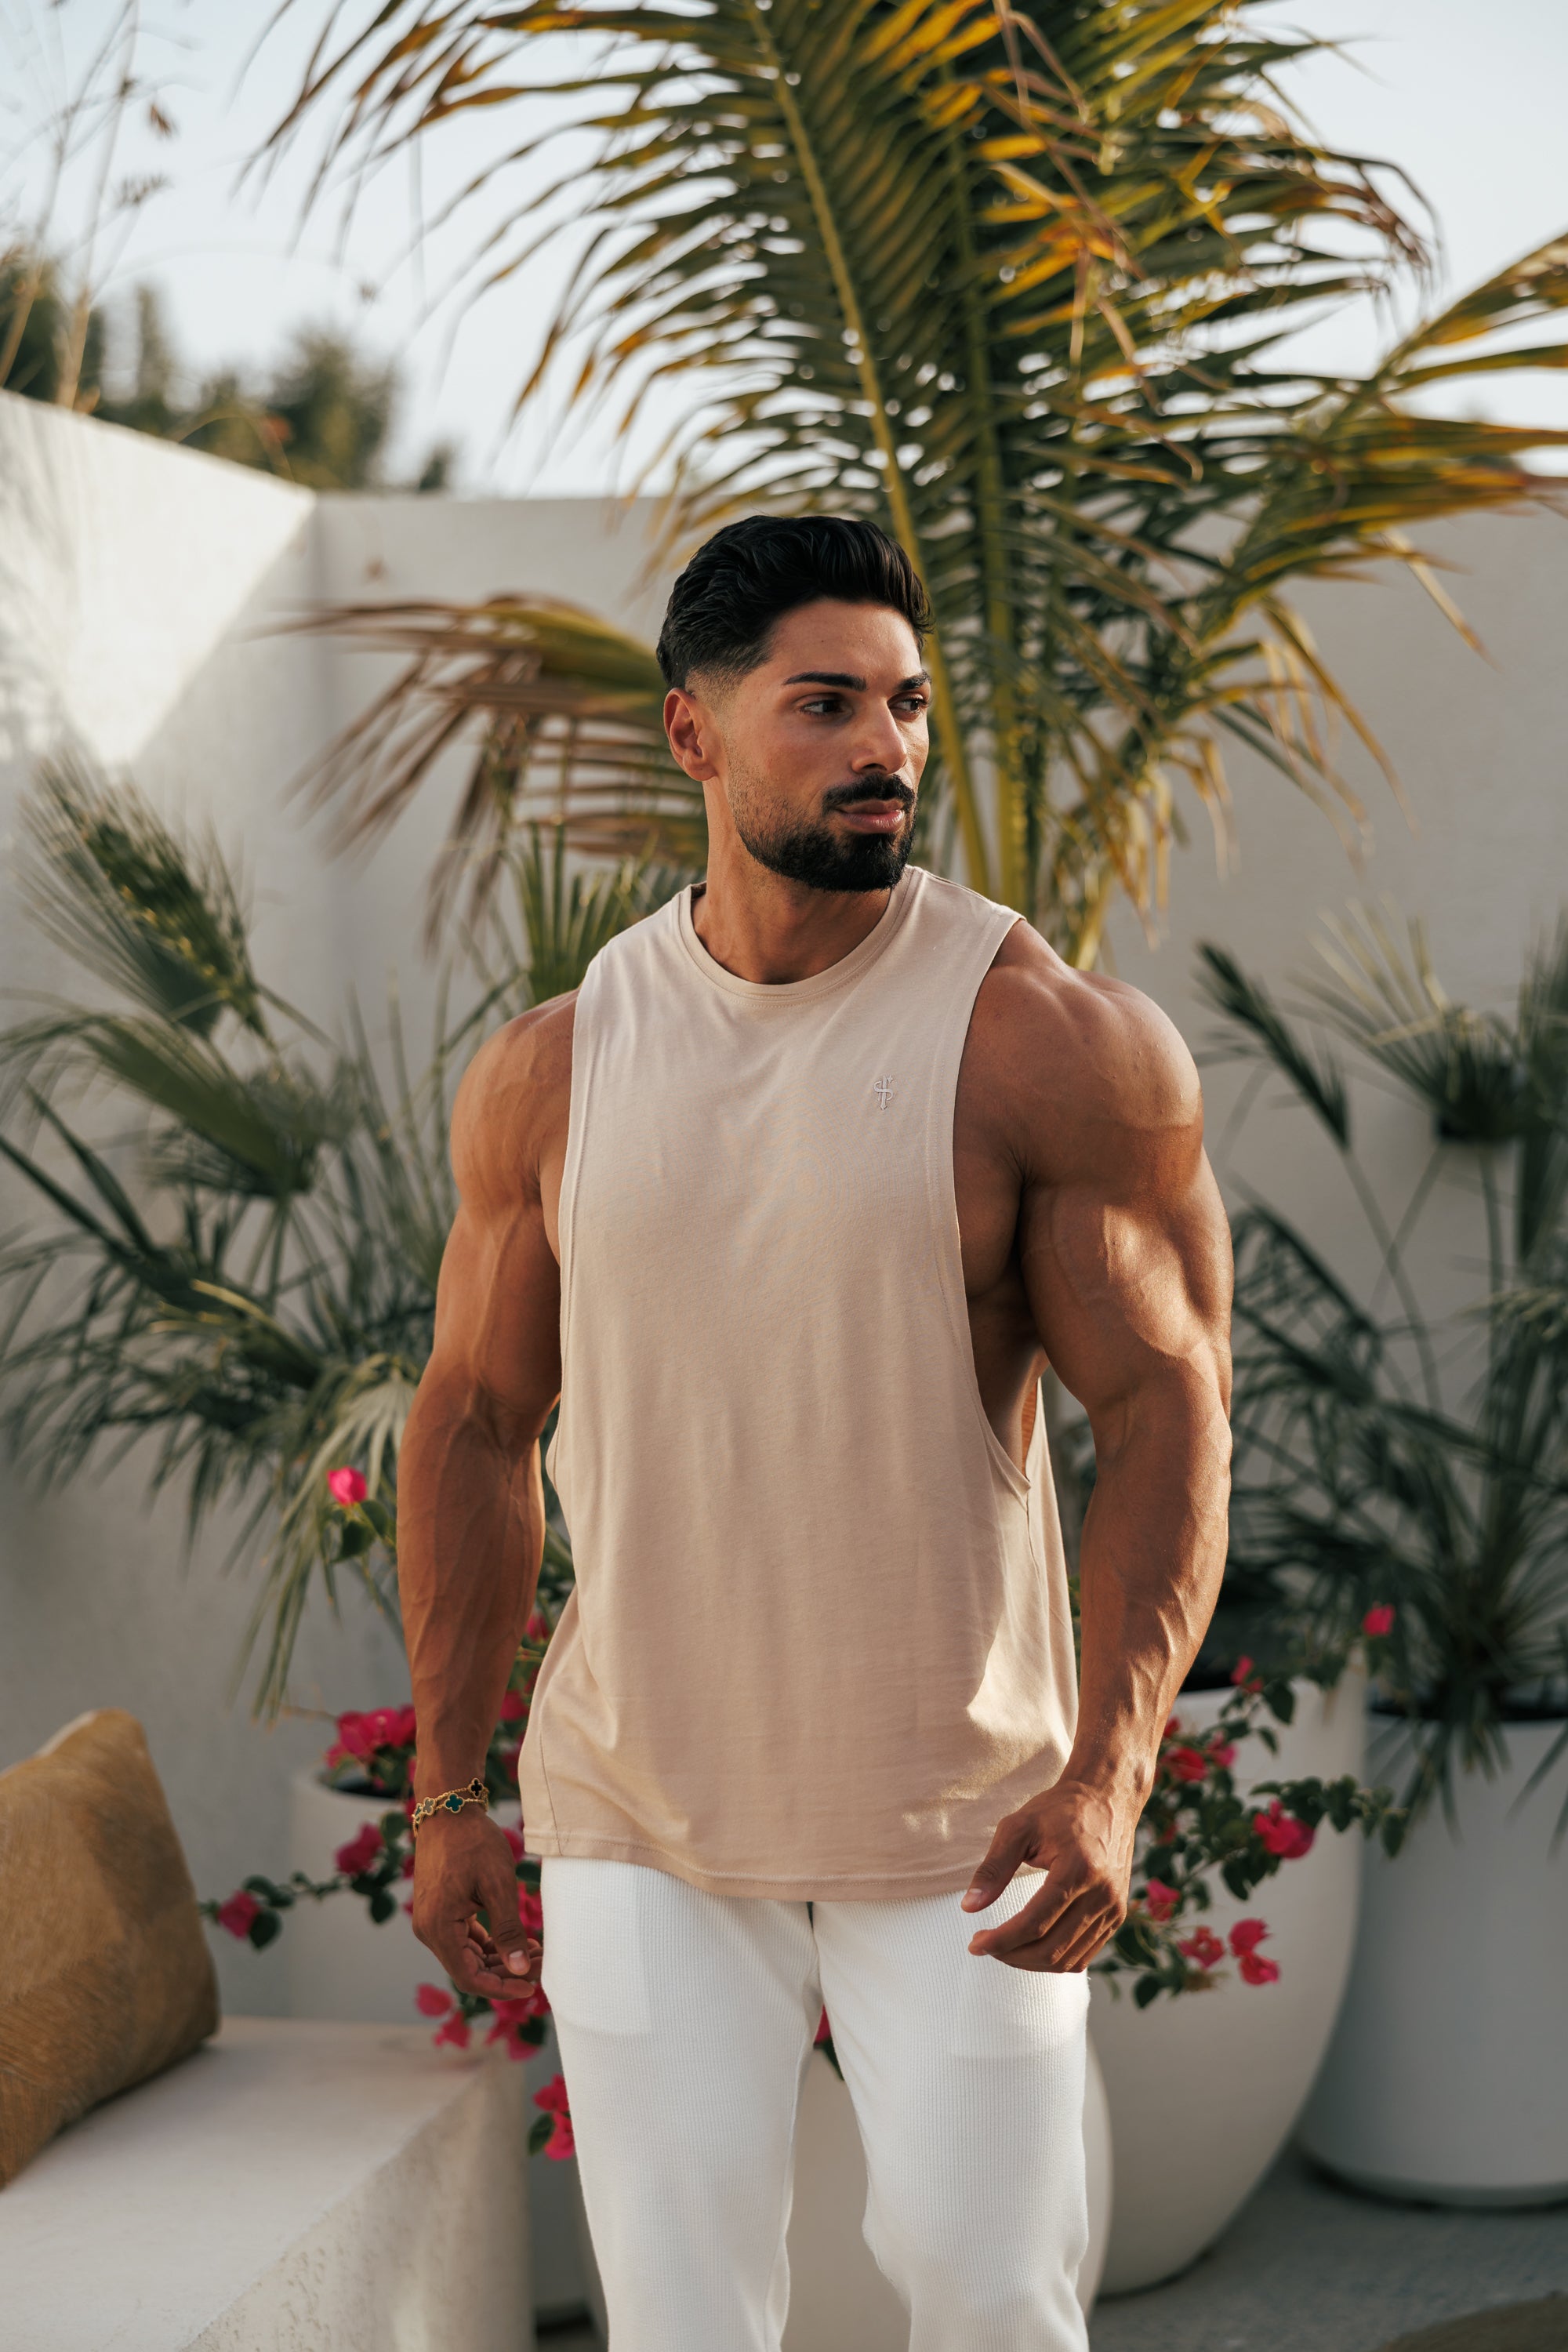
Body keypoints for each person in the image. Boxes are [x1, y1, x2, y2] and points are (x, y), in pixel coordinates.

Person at [398, 514, 1233, 2351]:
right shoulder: (555, 1064)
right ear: (694, 736)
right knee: (681, 2320)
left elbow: (1165, 1401)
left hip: (966, 1819)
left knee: (994, 2299)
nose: (886, 745)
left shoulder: (1047, 1042)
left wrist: (1109, 1769)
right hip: (638, 1802)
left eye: (909, 705)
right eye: (827, 703)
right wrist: (450, 1785)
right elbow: (471, 1420)